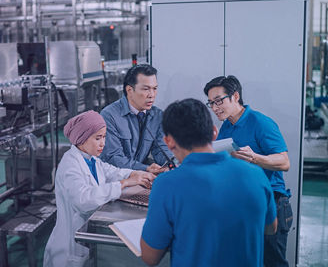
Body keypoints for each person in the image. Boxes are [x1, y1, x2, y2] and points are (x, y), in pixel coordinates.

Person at [140, 98, 277, 267]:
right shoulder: (256, 174)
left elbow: (149, 257)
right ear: (214, 132)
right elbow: (271, 227)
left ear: (169, 142)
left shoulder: (167, 184)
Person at [43, 110, 155, 267]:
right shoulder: (70, 165)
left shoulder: (92, 160)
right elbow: (83, 200)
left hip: (86, 235)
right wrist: (124, 183)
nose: (103, 143)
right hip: (70, 246)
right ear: (81, 139)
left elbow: (112, 171)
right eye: (98, 138)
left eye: (104, 137)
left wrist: (135, 173)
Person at [204, 75, 293, 267]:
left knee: (272, 262)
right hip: (244, 204)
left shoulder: (260, 122)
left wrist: (255, 158)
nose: (214, 107)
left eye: (219, 101)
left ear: (235, 96)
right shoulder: (226, 127)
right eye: (211, 103)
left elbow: (284, 162)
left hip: (272, 203)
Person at [100, 64, 174, 174]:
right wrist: (145, 168)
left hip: (141, 176)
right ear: (130, 90)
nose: (152, 95)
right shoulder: (109, 116)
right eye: (146, 89)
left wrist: (170, 164)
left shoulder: (157, 115)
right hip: (115, 178)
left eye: (155, 89)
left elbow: (161, 149)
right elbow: (113, 158)